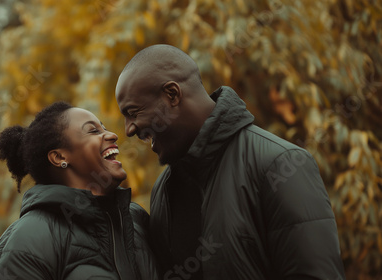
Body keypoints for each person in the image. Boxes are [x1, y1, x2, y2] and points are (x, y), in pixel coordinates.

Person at [115, 44, 346, 279]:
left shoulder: (280, 165)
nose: (129, 130)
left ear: (172, 95)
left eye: (133, 112)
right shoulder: (163, 191)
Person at [0, 102, 159, 280]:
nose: (112, 135)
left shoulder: (136, 219)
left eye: (104, 128)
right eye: (93, 131)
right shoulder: (31, 236)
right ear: (59, 157)